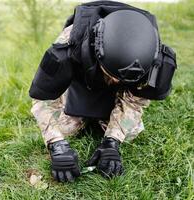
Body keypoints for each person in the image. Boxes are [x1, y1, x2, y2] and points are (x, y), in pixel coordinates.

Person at [29, 1, 177, 182]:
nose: (116, 81)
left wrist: (111, 143)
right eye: (113, 75)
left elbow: (135, 101)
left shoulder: (152, 57)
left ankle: (104, 119)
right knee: (63, 128)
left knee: (131, 131)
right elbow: (42, 99)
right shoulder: (69, 44)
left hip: (118, 91)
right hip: (82, 81)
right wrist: (56, 145)